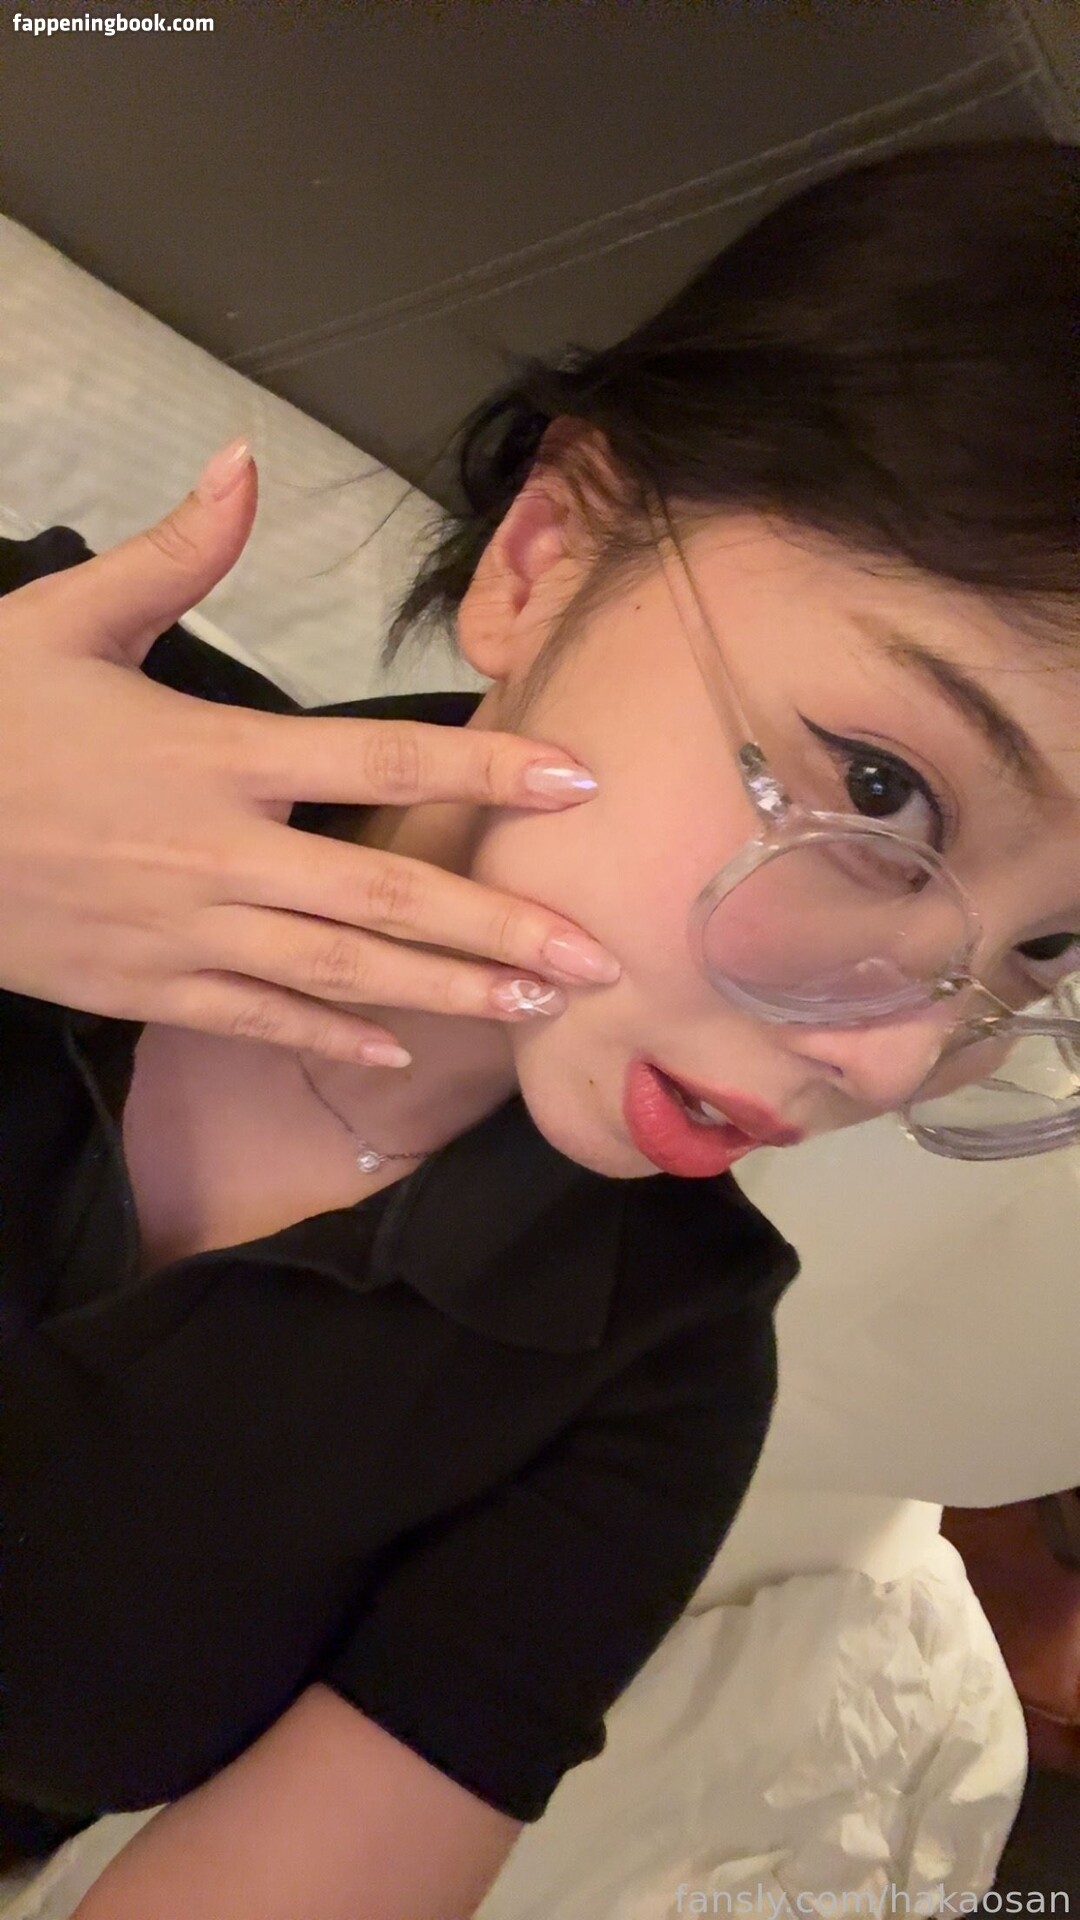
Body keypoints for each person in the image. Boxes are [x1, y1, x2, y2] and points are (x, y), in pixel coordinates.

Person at [1, 136, 1077, 1920]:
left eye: (1050, 944)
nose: (895, 1061)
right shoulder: (37, 692)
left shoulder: (652, 1380)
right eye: (884, 790)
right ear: (546, 555)